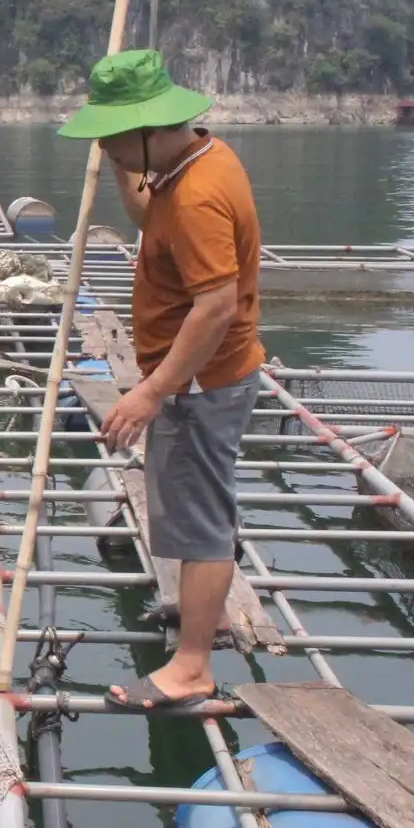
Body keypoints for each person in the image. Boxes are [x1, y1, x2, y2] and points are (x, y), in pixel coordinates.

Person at [57, 49, 266, 712]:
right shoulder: (192, 161)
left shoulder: (199, 196)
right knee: (190, 504)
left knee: (200, 519)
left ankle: (193, 668)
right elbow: (152, 216)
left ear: (149, 128)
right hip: (196, 377)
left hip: (200, 382)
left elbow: (215, 307)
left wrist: (150, 392)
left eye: (114, 135)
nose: (104, 146)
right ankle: (208, 614)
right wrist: (124, 166)